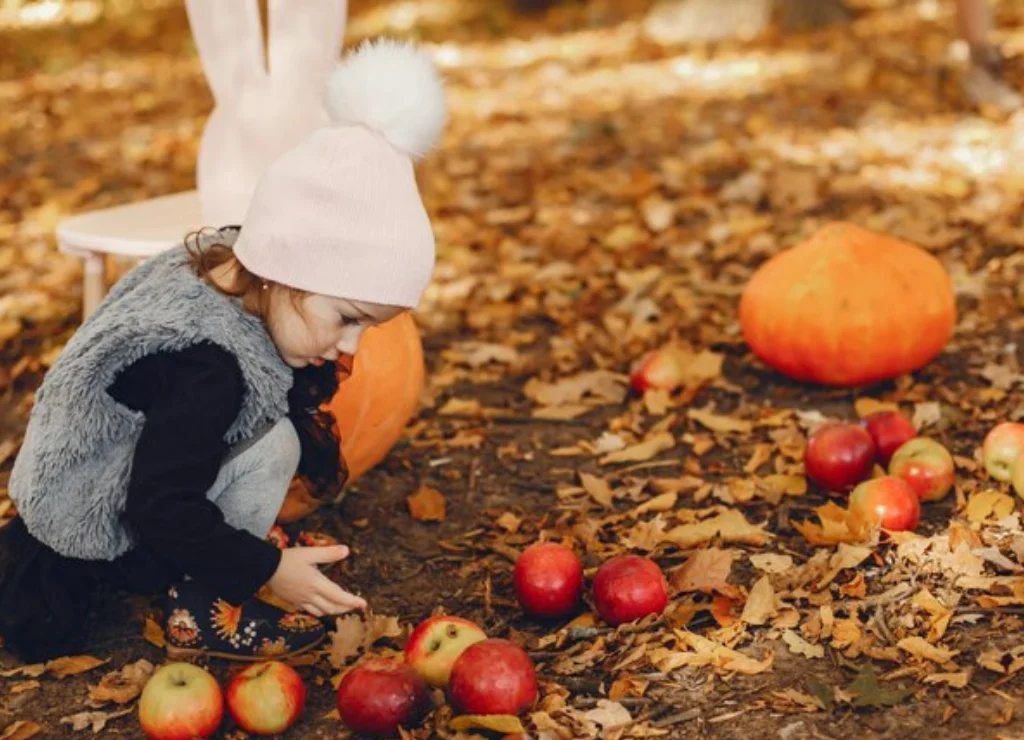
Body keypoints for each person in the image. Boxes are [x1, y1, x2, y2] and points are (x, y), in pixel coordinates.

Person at [0, 37, 447, 663]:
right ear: (287, 269)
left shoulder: (225, 264)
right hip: (92, 517)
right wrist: (265, 569)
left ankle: (220, 550)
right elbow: (158, 506)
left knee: (269, 433)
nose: (352, 345)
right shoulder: (209, 369)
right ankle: (199, 600)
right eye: (347, 318)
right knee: (276, 443)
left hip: (123, 471)